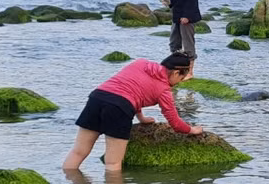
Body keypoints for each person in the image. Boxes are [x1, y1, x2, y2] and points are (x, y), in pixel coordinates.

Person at [63, 54, 203, 171]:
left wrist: (141, 117)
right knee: (112, 163)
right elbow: (174, 122)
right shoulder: (164, 91)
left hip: (97, 98)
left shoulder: (140, 63)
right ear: (176, 72)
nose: (178, 83)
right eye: (180, 78)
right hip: (119, 108)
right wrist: (191, 130)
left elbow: (130, 88)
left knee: (78, 152)